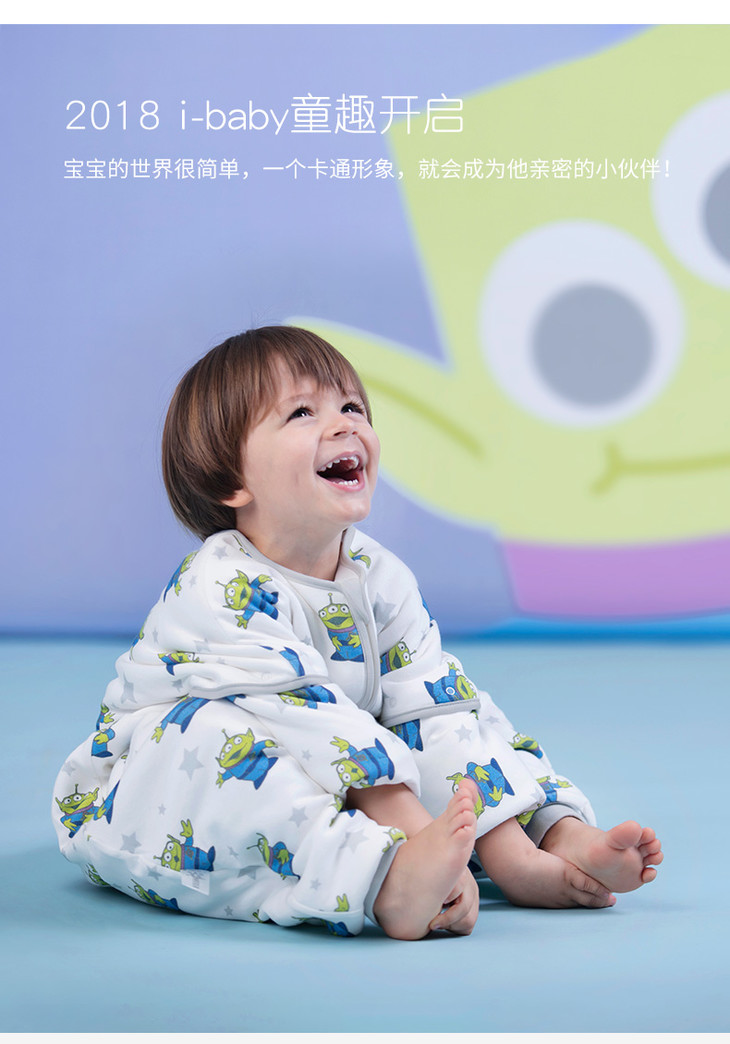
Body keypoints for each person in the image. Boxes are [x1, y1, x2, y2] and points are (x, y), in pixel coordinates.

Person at [52, 326, 663, 939]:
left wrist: (510, 857)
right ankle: (388, 881)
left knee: (454, 706)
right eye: (301, 412)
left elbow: (431, 711)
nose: (344, 425)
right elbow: (313, 723)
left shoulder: (379, 575)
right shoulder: (217, 584)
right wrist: (418, 838)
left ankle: (550, 835)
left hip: (339, 760)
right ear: (229, 481)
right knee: (222, 740)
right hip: (150, 797)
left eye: (352, 406)